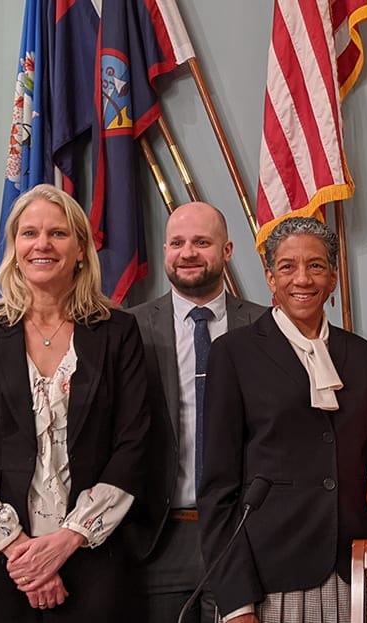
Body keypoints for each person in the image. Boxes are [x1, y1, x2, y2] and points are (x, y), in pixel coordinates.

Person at [0, 184, 150, 621]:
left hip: (91, 563)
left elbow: (134, 446)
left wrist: (67, 541)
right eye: (29, 233)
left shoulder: (118, 332)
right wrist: (24, 557)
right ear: (14, 247)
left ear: (79, 249)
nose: (42, 245)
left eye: (57, 234)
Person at [198, 216, 367, 623]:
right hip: (270, 578)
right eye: (288, 266)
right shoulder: (235, 353)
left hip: (354, 571)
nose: (303, 278)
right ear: (269, 278)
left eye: (316, 265)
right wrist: (236, 603)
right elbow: (217, 489)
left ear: (333, 278)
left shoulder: (359, 354)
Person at [128, 201, 268, 623]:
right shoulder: (128, 329)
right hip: (161, 536)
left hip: (245, 536)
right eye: (177, 243)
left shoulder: (266, 328)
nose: (188, 253)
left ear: (226, 251)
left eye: (202, 242)